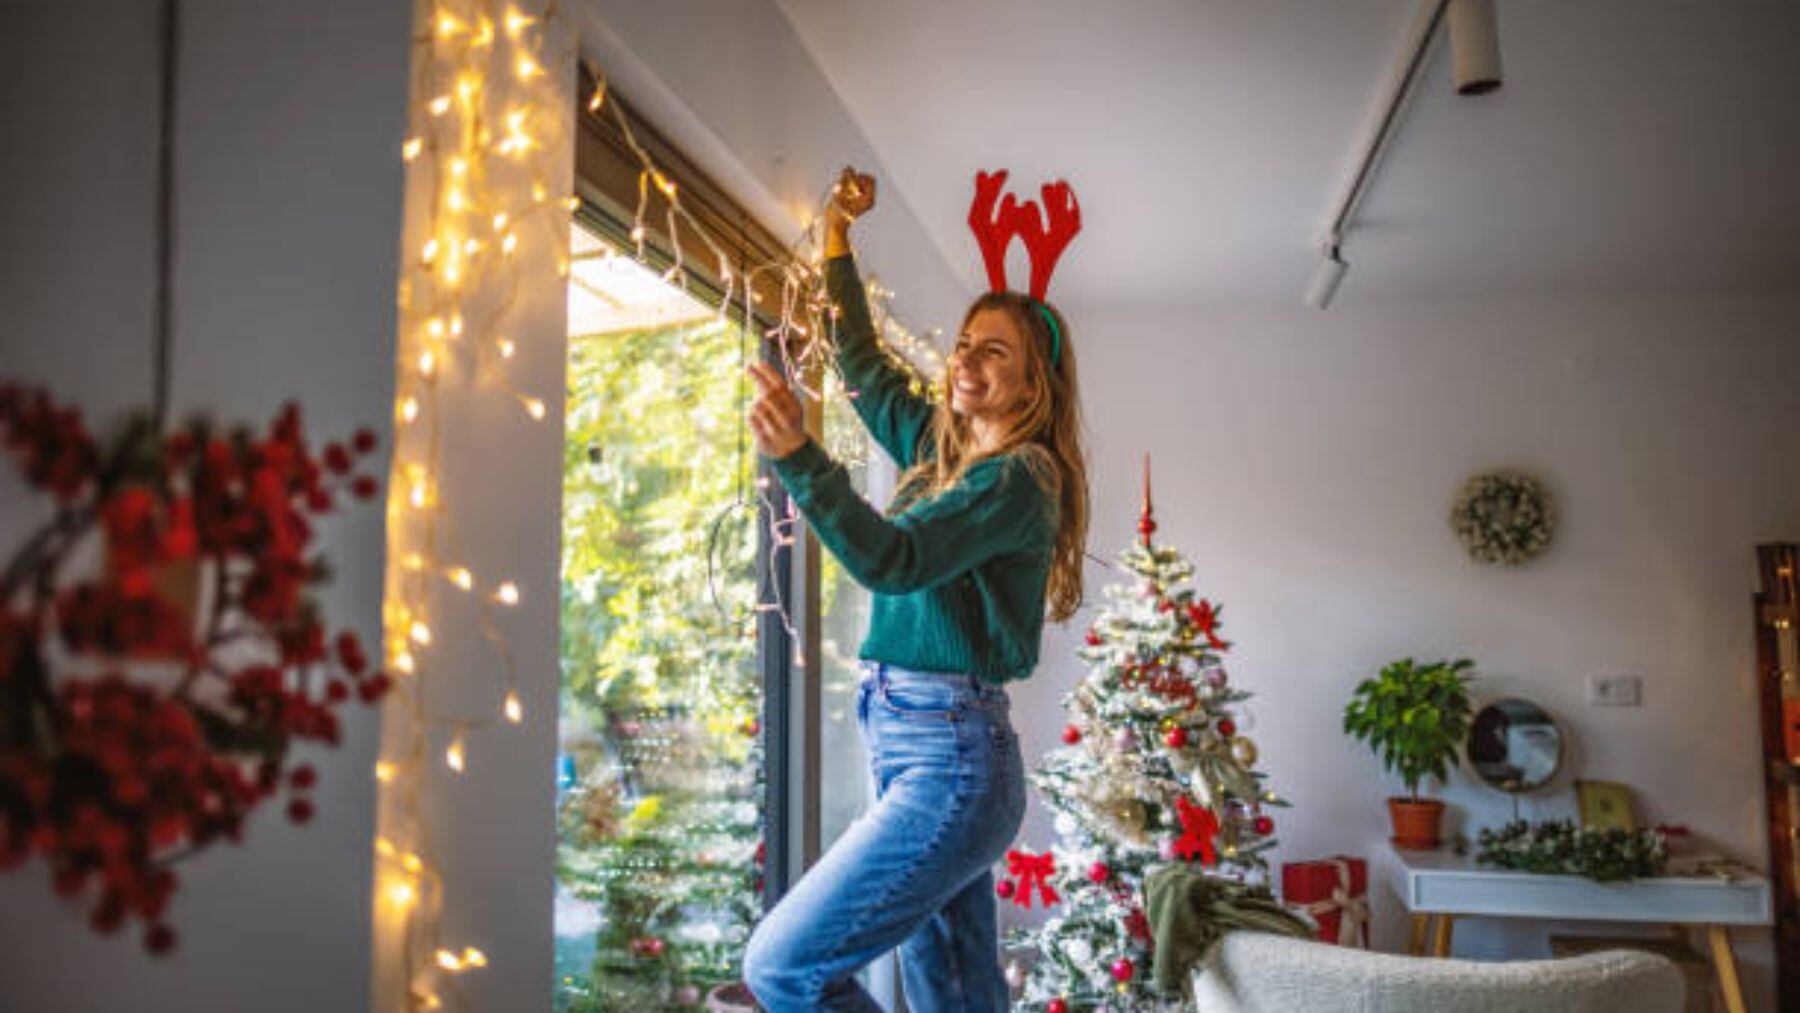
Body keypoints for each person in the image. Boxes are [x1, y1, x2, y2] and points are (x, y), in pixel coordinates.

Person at [740, 166, 1089, 1013]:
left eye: (993, 350)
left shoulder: (1022, 476)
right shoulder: (942, 448)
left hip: (950, 755)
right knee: (955, 998)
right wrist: (835, 243)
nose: (966, 359)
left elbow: (892, 560)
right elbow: (862, 368)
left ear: (1032, 380)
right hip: (912, 742)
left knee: (783, 968)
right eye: (965, 344)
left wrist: (799, 458)